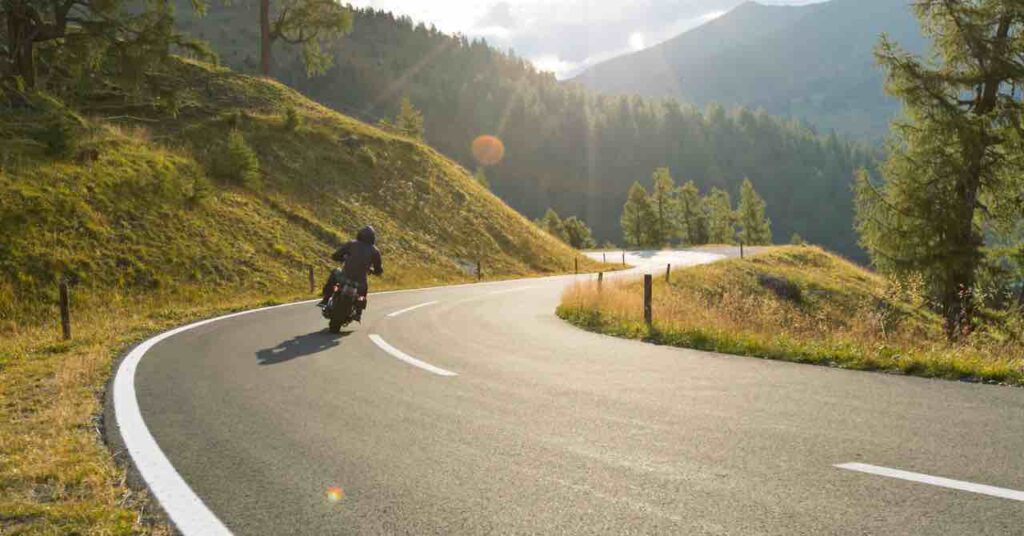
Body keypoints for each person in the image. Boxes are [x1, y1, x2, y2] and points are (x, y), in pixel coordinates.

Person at [317, 225, 384, 321]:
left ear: (360, 235)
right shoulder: (375, 251)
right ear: (373, 238)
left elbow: (336, 255)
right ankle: (358, 312)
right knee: (363, 294)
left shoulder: (352, 244)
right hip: (360, 283)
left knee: (335, 272)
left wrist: (341, 258)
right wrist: (373, 271)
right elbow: (378, 270)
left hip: (344, 277)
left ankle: (326, 298)